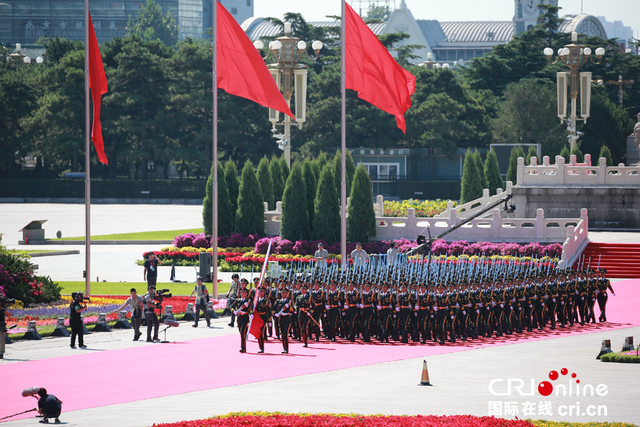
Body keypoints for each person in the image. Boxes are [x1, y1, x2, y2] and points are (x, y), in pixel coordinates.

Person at [232, 288, 252, 353]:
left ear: (246, 294)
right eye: (241, 293)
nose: (242, 294)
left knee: (242, 331)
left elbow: (251, 309)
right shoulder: (237, 300)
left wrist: (246, 312)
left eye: (243, 293)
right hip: (239, 318)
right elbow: (231, 306)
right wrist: (234, 311)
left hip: (245, 318)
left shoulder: (248, 301)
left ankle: (243, 347)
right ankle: (243, 346)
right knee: (241, 333)